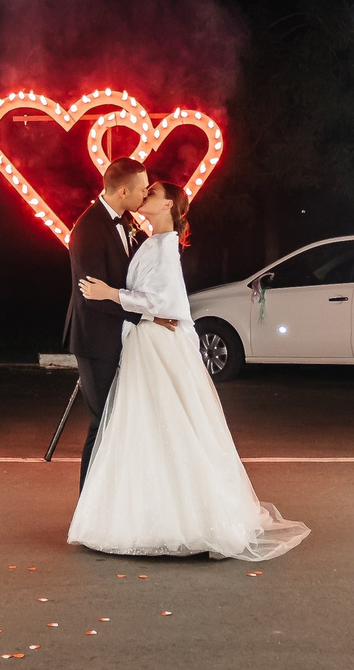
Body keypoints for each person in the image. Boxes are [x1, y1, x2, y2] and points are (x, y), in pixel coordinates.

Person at [68, 180, 309, 561]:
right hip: (146, 341)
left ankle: (177, 518)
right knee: (143, 426)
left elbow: (163, 301)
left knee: (163, 424)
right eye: (143, 190)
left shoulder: (165, 247)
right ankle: (137, 512)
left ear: (168, 206)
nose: (145, 195)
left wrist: (111, 293)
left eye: (152, 193)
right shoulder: (151, 241)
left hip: (157, 343)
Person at [64, 157, 151, 490]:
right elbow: (92, 296)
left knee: (117, 419)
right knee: (103, 421)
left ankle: (111, 498)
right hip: (95, 340)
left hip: (119, 336)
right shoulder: (88, 229)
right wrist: (143, 313)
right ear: (123, 191)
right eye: (142, 189)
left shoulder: (127, 221)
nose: (145, 194)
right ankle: (88, 503)